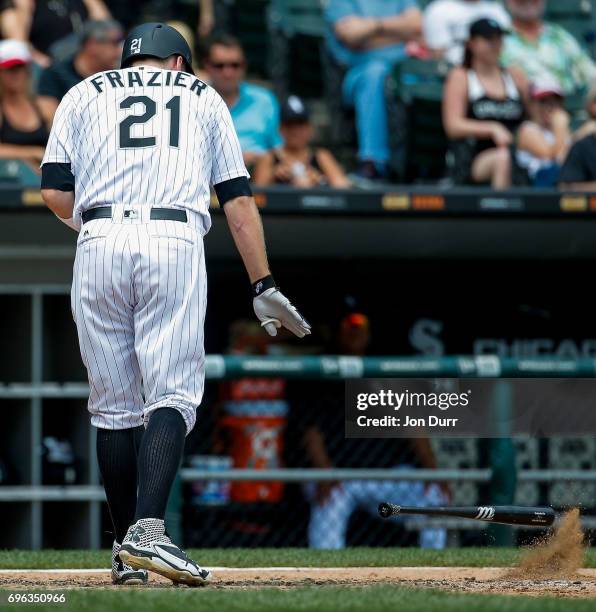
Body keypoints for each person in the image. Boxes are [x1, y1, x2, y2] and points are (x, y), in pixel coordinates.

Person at [40, 22, 310, 586]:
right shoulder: (205, 96)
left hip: (98, 239)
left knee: (113, 405)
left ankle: (122, 550)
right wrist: (262, 283)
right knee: (173, 392)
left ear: (128, 61)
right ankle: (148, 531)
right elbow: (236, 199)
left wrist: (95, 229)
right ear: (181, 64)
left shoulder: (81, 91)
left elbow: (55, 190)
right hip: (172, 239)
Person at [289, 313, 448, 549]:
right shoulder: (320, 370)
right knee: (331, 500)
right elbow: (310, 431)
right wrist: (324, 471)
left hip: (385, 475)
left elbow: (412, 425)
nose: (354, 332)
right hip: (339, 475)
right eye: (348, 326)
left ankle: (435, 568)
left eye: (360, 326)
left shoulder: (386, 369)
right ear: (337, 332)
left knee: (434, 495)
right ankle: (325, 570)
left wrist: (433, 472)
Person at [325, 0, 422, 180]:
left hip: (404, 72)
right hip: (358, 74)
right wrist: (400, 34)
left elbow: (417, 26)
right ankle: (373, 162)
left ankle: (424, 165)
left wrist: (373, 26)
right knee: (375, 75)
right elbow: (352, 37)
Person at [442, 18, 527, 188]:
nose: (496, 45)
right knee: (502, 158)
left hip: (517, 150)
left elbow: (531, 117)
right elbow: (452, 126)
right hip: (475, 155)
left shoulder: (514, 76)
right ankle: (501, 211)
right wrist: (492, 128)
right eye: (489, 39)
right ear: (472, 43)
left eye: (499, 39)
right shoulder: (461, 76)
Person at [203, 34, 282, 168]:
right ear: (207, 66)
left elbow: (277, 147)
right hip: (208, 175)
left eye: (235, 65)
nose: (228, 73)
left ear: (244, 66)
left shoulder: (264, 100)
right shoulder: (193, 99)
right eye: (219, 65)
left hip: (257, 176)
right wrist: (235, 159)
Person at [37, 19, 124, 126]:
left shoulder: (120, 75)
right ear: (92, 45)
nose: (119, 51)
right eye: (115, 43)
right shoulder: (55, 74)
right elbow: (51, 119)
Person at [253, 95, 351, 188]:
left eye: (301, 125)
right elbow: (256, 195)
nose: (295, 131)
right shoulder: (268, 157)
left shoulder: (321, 156)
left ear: (310, 128)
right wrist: (273, 177)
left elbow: (342, 187)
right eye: (290, 125)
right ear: (280, 129)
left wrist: (320, 180)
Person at [501, 0, 596, 95]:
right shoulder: (497, 39)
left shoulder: (559, 36)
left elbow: (590, 73)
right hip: (516, 107)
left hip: (565, 105)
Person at [0, 0, 112, 67]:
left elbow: (107, 26)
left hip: (86, 61)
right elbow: (19, 46)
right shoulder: (20, 7)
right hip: (49, 65)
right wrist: (24, 9)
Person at [0, 39, 48, 171]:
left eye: (19, 68)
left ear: (27, 70)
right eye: (9, 69)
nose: (15, 74)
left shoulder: (44, 107)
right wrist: (32, 153)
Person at [516, 80, 571, 187]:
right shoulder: (528, 129)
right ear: (532, 105)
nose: (550, 107)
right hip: (538, 186)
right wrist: (560, 128)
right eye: (544, 101)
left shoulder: (562, 129)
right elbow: (550, 156)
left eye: (555, 101)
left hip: (563, 183)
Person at [423, 0, 510, 65]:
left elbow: (509, 47)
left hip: (496, 71)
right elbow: (438, 56)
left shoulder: (497, 10)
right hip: (455, 72)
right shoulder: (439, 10)